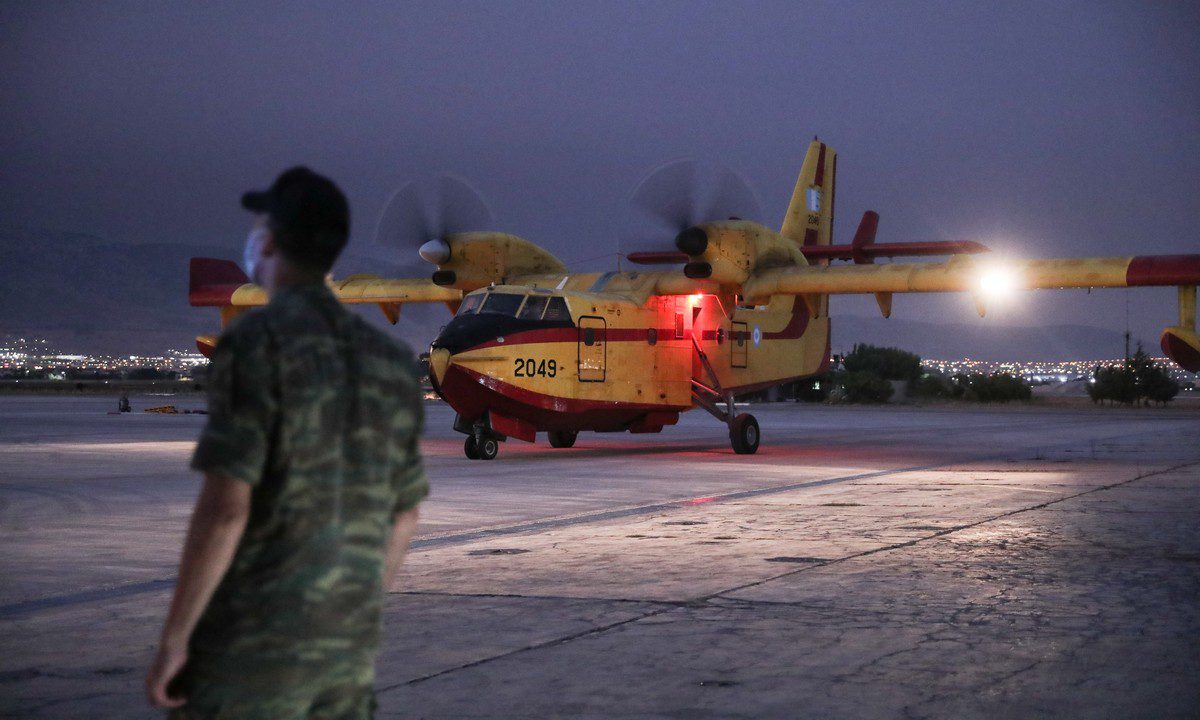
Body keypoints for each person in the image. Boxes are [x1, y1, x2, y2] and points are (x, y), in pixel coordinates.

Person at [145, 167, 429, 719]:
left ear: (269, 242)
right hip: (346, 653)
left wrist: (175, 639)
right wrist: (355, 618)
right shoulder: (391, 360)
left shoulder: (255, 342)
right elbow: (404, 516)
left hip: (252, 649)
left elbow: (228, 510)